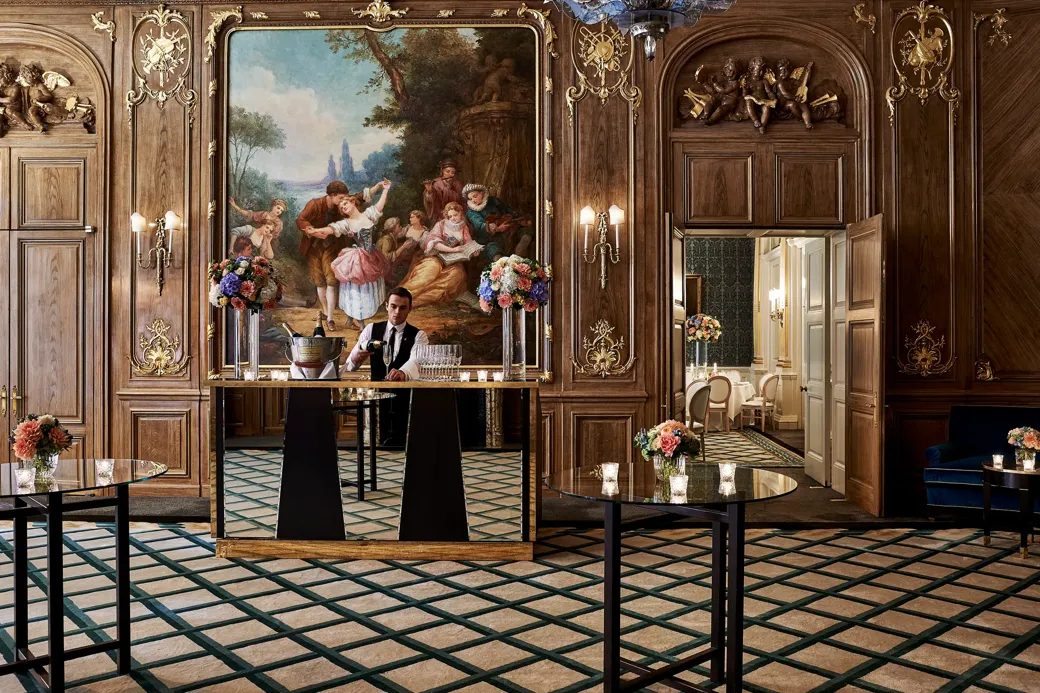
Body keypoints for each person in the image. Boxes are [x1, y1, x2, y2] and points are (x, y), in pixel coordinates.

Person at [345, 288, 429, 445]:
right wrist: (356, 359)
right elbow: (350, 366)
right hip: (377, 401)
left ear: (410, 309)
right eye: (393, 306)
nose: (397, 312)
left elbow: (417, 360)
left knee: (405, 445)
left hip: (404, 401)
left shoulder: (419, 335)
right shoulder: (370, 330)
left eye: (403, 308)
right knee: (376, 446)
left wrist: (403, 372)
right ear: (386, 306)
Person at [315, 180, 392, 330]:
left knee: (367, 289)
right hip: (357, 259)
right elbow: (331, 229)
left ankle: (351, 319)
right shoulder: (346, 223)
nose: (344, 207)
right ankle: (359, 321)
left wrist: (385, 190)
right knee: (356, 290)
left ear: (353, 202)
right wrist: (315, 231)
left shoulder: (369, 215)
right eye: (342, 207)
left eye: (346, 204)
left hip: (371, 256)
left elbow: (380, 206)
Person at [296, 180, 373, 330]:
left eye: (344, 198)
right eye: (340, 198)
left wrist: (376, 188)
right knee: (319, 282)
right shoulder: (314, 204)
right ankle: (325, 311)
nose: (342, 202)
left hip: (332, 247)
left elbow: (357, 198)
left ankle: (330, 318)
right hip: (313, 247)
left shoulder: (342, 205)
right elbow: (300, 220)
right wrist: (310, 229)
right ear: (331, 196)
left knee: (331, 281)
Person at [399, 201, 483, 309]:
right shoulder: (441, 225)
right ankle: (401, 296)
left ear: (461, 214)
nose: (453, 218)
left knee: (457, 275)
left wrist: (473, 250)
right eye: (450, 216)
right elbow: (435, 243)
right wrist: (453, 249)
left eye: (455, 215)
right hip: (435, 256)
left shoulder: (464, 227)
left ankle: (413, 302)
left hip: (452, 261)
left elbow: (468, 242)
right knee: (430, 270)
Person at [463, 183, 532, 261]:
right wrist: (497, 229)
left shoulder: (493, 200)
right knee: (494, 252)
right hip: (490, 238)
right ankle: (503, 268)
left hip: (509, 230)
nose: (473, 200)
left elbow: (508, 211)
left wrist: (522, 220)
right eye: (470, 199)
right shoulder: (471, 211)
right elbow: (479, 225)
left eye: (475, 196)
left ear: (481, 193)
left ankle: (519, 259)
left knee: (526, 234)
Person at [422, 158, 465, 223]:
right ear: (442, 171)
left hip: (455, 214)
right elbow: (432, 201)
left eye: (452, 172)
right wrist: (430, 191)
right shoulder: (436, 183)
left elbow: (461, 200)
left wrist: (447, 190)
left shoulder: (457, 184)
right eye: (447, 171)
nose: (450, 174)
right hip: (440, 216)